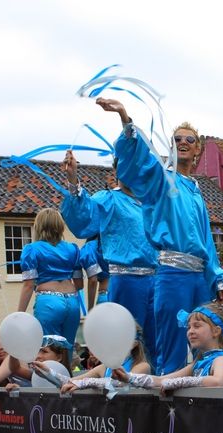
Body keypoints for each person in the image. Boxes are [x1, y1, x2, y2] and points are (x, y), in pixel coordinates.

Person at [96, 98, 223, 375]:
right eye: (176, 138)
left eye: (189, 139)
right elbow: (140, 160)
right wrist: (124, 117)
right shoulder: (162, 178)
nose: (182, 142)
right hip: (172, 273)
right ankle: (169, 408)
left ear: (198, 149)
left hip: (198, 276)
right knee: (172, 344)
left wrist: (216, 278)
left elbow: (206, 240)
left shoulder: (195, 189)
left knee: (205, 342)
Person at [61, 151, 159, 367]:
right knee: (128, 342)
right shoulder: (108, 199)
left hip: (156, 280)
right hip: (127, 280)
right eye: (125, 165)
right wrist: (72, 180)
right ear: (116, 170)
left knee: (156, 342)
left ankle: (156, 386)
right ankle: (123, 389)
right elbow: (83, 217)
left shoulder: (150, 203)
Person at [116, 303, 223, 391]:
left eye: (197, 326)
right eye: (189, 327)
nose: (190, 331)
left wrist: (179, 383)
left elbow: (218, 381)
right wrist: (129, 377)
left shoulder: (220, 359)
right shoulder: (197, 364)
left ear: (216, 331)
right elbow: (161, 380)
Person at [17, 208, 82, 350]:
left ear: (38, 226)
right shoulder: (73, 249)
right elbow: (79, 283)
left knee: (48, 350)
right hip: (72, 301)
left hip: (48, 301)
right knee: (67, 350)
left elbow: (28, 285)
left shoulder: (32, 249)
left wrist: (19, 315)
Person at [57, 326, 150, 393]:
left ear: (134, 344)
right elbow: (70, 381)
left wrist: (85, 383)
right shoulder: (105, 367)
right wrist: (46, 371)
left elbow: (119, 384)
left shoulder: (141, 366)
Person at [79, 237, 109, 309]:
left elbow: (93, 280)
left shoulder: (91, 248)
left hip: (106, 296)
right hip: (123, 295)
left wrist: (90, 309)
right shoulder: (119, 243)